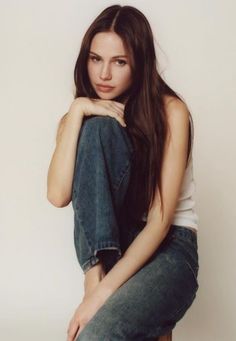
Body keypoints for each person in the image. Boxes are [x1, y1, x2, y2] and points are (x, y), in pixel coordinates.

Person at [47, 4, 199, 341]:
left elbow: (160, 223)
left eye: (120, 62)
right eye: (95, 59)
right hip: (115, 248)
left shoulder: (170, 111)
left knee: (95, 335)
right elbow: (58, 195)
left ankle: (102, 284)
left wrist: (100, 296)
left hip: (172, 247)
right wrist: (76, 110)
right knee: (97, 129)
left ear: (139, 64)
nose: (103, 75)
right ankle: (95, 274)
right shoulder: (84, 119)